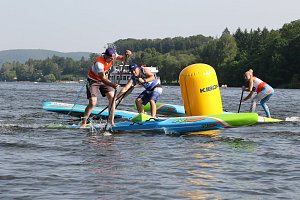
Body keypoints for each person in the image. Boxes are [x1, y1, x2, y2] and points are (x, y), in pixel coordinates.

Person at [80, 47, 132, 128]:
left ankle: (111, 122)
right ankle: (84, 122)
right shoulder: (99, 63)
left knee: (112, 99)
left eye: (113, 58)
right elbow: (103, 79)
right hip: (93, 81)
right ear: (106, 56)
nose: (112, 59)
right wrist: (113, 85)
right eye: (110, 58)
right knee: (93, 102)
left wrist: (128, 54)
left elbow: (122, 58)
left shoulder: (113, 56)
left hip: (105, 79)